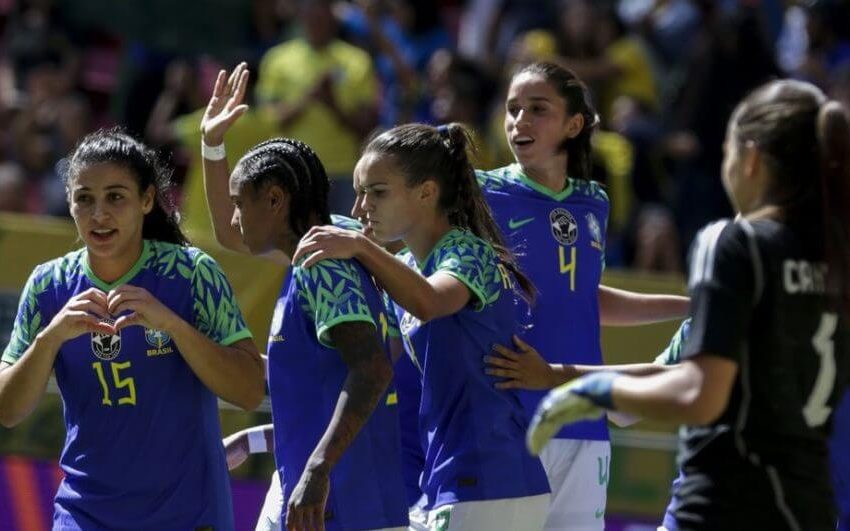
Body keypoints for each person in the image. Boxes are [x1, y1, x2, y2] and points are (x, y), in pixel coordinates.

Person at [528, 79, 850, 530]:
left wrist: (591, 391)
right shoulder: (837, 259)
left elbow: (698, 392)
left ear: (751, 158)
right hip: (812, 512)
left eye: (726, 151)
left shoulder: (737, 245)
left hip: (721, 508)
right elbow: (673, 377)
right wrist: (561, 377)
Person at [0, 129, 265, 530]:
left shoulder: (192, 273)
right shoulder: (49, 285)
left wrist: (172, 325)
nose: (98, 214)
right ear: (69, 202)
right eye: (84, 198)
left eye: (115, 197)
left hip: (188, 515)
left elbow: (249, 392)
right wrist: (50, 337)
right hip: (85, 514)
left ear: (147, 200)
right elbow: (8, 411)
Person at [293, 122, 550, 530]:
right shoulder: (406, 267)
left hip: (492, 480)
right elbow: (378, 369)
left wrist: (359, 247)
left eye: (377, 193)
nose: (360, 210)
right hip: (453, 483)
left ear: (427, 192)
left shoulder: (467, 251)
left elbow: (430, 301)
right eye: (358, 193)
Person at [475, 61, 688, 530]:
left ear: (574, 125)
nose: (520, 121)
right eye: (513, 109)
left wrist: (688, 305)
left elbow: (583, 297)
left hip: (586, 424)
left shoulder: (595, 201)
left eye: (538, 109)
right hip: (510, 415)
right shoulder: (480, 193)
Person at [201, 64, 408, 531]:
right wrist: (212, 144)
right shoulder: (331, 241)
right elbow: (314, 385)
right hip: (328, 498)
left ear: (275, 200)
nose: (233, 219)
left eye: (240, 203)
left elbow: (373, 368)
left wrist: (317, 470)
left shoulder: (323, 264)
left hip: (346, 507)